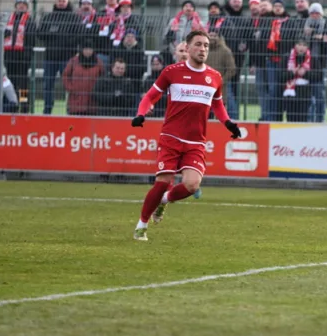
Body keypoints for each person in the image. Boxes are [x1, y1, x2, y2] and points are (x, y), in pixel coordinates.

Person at [129, 30, 241, 240]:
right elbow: (150, 96)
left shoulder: (215, 77)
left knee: (192, 185)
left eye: (206, 46)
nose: (203, 49)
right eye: (198, 44)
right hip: (171, 137)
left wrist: (228, 123)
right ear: (187, 48)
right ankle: (141, 225)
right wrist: (140, 114)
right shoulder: (172, 72)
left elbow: (217, 105)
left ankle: (163, 201)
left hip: (196, 141)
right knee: (163, 180)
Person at [39, 0, 82, 114]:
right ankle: (47, 110)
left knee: (69, 86)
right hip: (50, 58)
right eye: (59, 1)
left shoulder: (74, 18)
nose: (61, 3)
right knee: (48, 85)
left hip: (67, 58)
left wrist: (65, 40)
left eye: (63, 1)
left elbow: (79, 35)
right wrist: (54, 34)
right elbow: (40, 33)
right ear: (55, 2)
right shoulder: (48, 17)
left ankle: (70, 110)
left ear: (67, 2)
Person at [4, 0, 35, 112]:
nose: (21, 6)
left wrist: (27, 54)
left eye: (24, 4)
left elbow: (31, 39)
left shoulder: (29, 20)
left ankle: (24, 106)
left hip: (23, 57)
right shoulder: (8, 19)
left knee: (23, 85)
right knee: (11, 82)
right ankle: (13, 105)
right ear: (16, 6)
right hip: (9, 55)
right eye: (19, 4)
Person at [62, 39, 105, 115]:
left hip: (92, 101)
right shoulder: (73, 61)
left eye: (90, 49)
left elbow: (103, 77)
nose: (88, 51)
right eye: (86, 49)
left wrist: (98, 91)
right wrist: (71, 88)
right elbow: (65, 75)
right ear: (82, 50)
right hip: (76, 100)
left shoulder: (99, 63)